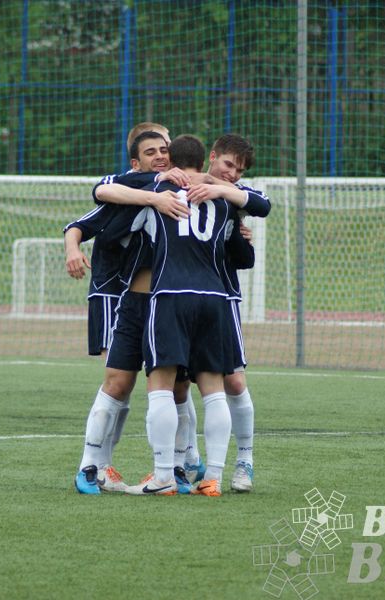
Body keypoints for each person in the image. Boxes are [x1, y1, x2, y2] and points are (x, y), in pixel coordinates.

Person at [117, 135, 243, 497]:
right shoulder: (223, 200)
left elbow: (118, 230)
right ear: (205, 161)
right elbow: (242, 239)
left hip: (170, 295)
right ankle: (213, 477)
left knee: (161, 385)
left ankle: (162, 477)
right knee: (214, 390)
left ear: (171, 159)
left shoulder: (160, 195)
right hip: (215, 297)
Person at [65, 129, 190, 495]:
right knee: (119, 382)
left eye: (165, 150)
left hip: (171, 304)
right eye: (151, 152)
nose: (161, 156)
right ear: (136, 163)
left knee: (179, 385)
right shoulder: (128, 196)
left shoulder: (189, 194)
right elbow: (89, 209)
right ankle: (92, 466)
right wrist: (72, 248)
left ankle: (180, 467)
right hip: (124, 300)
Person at [173, 133, 266, 492]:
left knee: (234, 381)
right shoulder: (176, 185)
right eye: (228, 165)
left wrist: (237, 229)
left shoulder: (234, 195)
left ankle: (245, 460)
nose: (233, 174)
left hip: (221, 299)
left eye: (239, 170)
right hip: (178, 299)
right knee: (178, 385)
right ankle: (187, 456)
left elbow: (260, 210)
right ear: (212, 156)